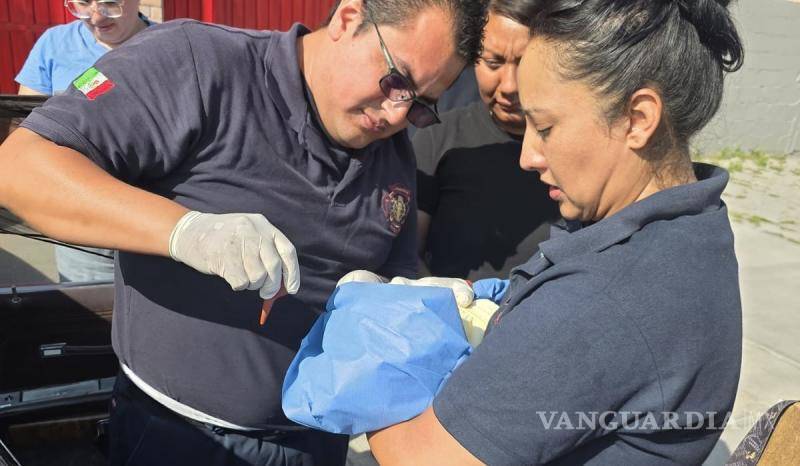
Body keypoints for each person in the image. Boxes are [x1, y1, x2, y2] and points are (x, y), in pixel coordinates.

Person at [0, 0, 488, 463]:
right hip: (177, 436)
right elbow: (20, 169)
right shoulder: (197, 63)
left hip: (315, 444)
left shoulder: (395, 155)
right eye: (395, 80)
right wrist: (187, 232)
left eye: (421, 105)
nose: (398, 115)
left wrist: (402, 306)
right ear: (348, 18)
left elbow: (391, 277)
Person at [349, 0, 745, 464]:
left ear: (638, 118)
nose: (527, 156)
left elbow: (420, 456)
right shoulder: (694, 227)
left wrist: (368, 350)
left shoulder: (602, 298)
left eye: (546, 127)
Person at [413, 0, 559, 280]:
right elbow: (406, 253)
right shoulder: (438, 139)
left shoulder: (578, 143)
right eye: (494, 63)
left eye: (525, 62)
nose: (509, 86)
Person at [15, 0, 151, 282]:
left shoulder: (172, 45)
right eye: (82, 3)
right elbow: (25, 129)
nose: (96, 16)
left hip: (155, 217)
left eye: (110, 3)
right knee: (90, 314)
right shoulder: (55, 44)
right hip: (83, 222)